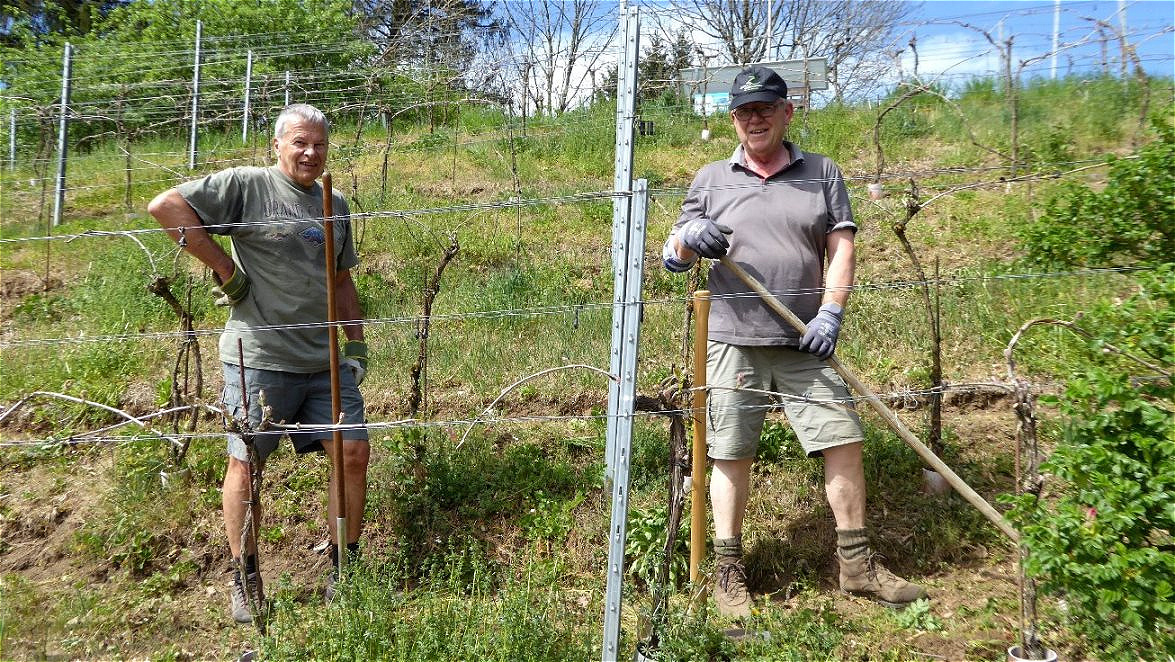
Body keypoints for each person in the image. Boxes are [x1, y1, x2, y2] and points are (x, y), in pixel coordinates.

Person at [662, 66, 927, 618]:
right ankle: (729, 573)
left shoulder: (822, 173)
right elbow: (673, 257)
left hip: (807, 337)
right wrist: (689, 237)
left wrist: (831, 313)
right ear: (733, 119)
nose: (753, 119)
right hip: (733, 339)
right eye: (743, 111)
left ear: (787, 112)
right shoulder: (711, 178)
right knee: (730, 451)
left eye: (764, 108)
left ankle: (856, 565)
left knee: (842, 438)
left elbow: (842, 247)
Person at [148, 103, 370, 624]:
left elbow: (342, 281)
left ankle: (347, 571)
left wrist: (354, 346)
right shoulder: (246, 186)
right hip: (258, 358)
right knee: (247, 466)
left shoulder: (334, 203)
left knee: (353, 451)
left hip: (324, 362)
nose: (311, 152)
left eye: (319, 144)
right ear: (278, 145)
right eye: (300, 142)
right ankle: (245, 578)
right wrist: (226, 268)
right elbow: (165, 207)